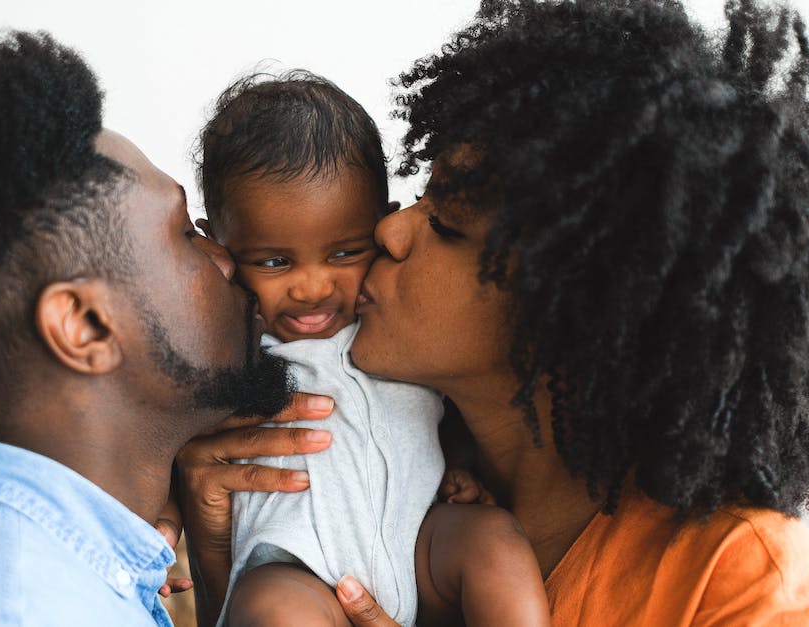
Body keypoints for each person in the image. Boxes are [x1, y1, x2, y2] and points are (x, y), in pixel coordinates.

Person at [178, 0, 809, 624]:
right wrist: (224, 560)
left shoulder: (741, 578)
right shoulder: (354, 460)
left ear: (567, 302)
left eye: (446, 225)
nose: (389, 233)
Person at [0, 31, 332, 626]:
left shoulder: (67, 571)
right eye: (187, 235)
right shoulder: (11, 608)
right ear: (85, 326)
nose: (227, 259)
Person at [193, 71, 551, 627]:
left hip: (417, 541)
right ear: (219, 250)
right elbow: (168, 433)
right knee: (271, 611)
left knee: (494, 541)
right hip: (295, 562)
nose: (312, 287)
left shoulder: (397, 330)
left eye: (344, 253)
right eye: (273, 262)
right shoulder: (230, 343)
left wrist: (456, 466)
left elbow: (447, 411)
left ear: (380, 223)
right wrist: (165, 516)